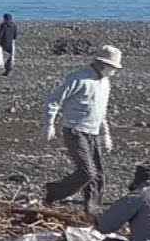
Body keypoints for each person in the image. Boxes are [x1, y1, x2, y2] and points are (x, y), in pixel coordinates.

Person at [42, 45, 121, 213]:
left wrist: (106, 134)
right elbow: (54, 100)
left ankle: (92, 208)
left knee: (98, 173)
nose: (115, 71)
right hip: (75, 130)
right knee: (87, 172)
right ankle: (54, 191)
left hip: (93, 132)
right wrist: (49, 124)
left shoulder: (105, 82)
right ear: (103, 64)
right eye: (113, 67)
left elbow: (101, 111)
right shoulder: (78, 79)